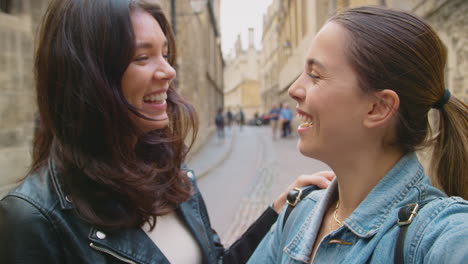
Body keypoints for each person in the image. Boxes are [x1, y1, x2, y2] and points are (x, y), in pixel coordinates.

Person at [0, 1, 335, 263]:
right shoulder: (32, 219)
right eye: (143, 57)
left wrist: (277, 212)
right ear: (89, 75)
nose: (169, 71)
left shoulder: (173, 174)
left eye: (166, 53)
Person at [248, 6, 468, 263]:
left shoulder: (437, 235)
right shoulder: (296, 214)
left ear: (378, 108)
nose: (294, 89)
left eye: (315, 76)